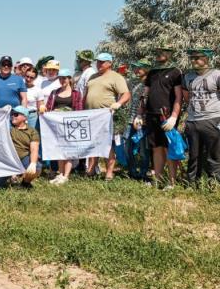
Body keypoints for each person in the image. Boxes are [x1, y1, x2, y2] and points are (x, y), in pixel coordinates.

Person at [135, 44, 182, 188]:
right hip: (151, 115)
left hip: (166, 116)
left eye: (163, 51)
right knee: (156, 148)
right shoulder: (152, 72)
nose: (159, 53)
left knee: (169, 148)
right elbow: (145, 95)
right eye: (158, 51)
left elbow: (179, 97)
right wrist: (139, 114)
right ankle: (158, 179)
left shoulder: (176, 71)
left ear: (170, 53)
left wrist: (174, 116)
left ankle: (172, 182)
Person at [84, 52, 131, 180]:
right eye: (98, 62)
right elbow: (86, 95)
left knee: (108, 145)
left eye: (102, 62)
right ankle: (91, 169)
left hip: (106, 116)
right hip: (91, 116)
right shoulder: (92, 77)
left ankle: (109, 173)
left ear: (109, 63)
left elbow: (126, 94)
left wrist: (118, 103)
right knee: (93, 143)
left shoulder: (116, 77)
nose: (99, 64)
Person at [182, 48, 220, 184]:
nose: (193, 60)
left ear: (206, 58)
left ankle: (213, 183)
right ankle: (192, 183)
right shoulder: (187, 77)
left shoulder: (216, 75)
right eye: (192, 58)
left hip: (212, 119)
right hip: (193, 120)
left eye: (197, 58)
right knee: (193, 155)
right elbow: (187, 97)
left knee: (213, 154)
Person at [0, 106, 40, 188]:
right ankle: (8, 176)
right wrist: (2, 111)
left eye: (16, 114)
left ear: (24, 117)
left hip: (23, 158)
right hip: (7, 161)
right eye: (12, 114)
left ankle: (25, 183)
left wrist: (33, 163)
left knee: (37, 167)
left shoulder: (32, 131)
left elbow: (34, 149)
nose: (13, 116)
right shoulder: (8, 127)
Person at [44, 68, 83, 185]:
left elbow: (79, 109)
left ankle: (66, 175)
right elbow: (48, 106)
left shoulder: (76, 94)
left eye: (64, 78)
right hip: (56, 126)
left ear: (69, 79)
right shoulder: (54, 92)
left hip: (70, 126)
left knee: (68, 150)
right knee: (59, 150)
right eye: (60, 78)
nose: (62, 80)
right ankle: (60, 173)